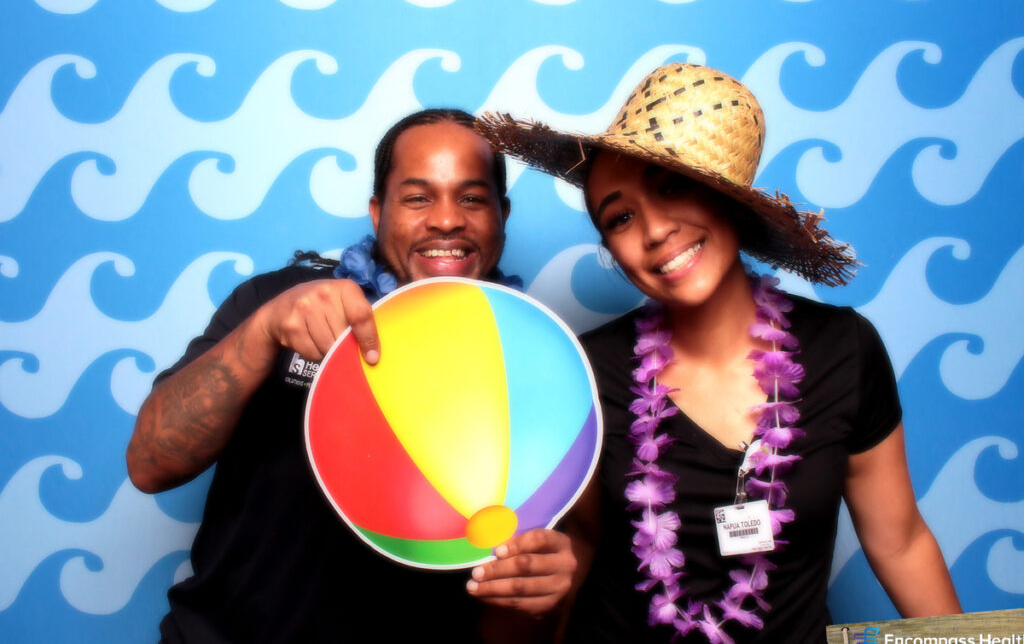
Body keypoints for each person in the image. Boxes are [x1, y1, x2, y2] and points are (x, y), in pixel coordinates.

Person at [476, 64, 961, 642]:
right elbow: (576, 546)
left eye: (670, 187)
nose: (654, 231)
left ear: (726, 196)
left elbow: (901, 542)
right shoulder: (587, 370)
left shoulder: (844, 349)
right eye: (621, 217)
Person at [127, 109, 574, 643]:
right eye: (417, 197)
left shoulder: (542, 365)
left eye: (472, 198)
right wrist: (261, 333)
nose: (447, 220)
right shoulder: (275, 303)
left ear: (502, 214)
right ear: (377, 211)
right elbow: (151, 463)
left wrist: (540, 591)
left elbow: (509, 619)